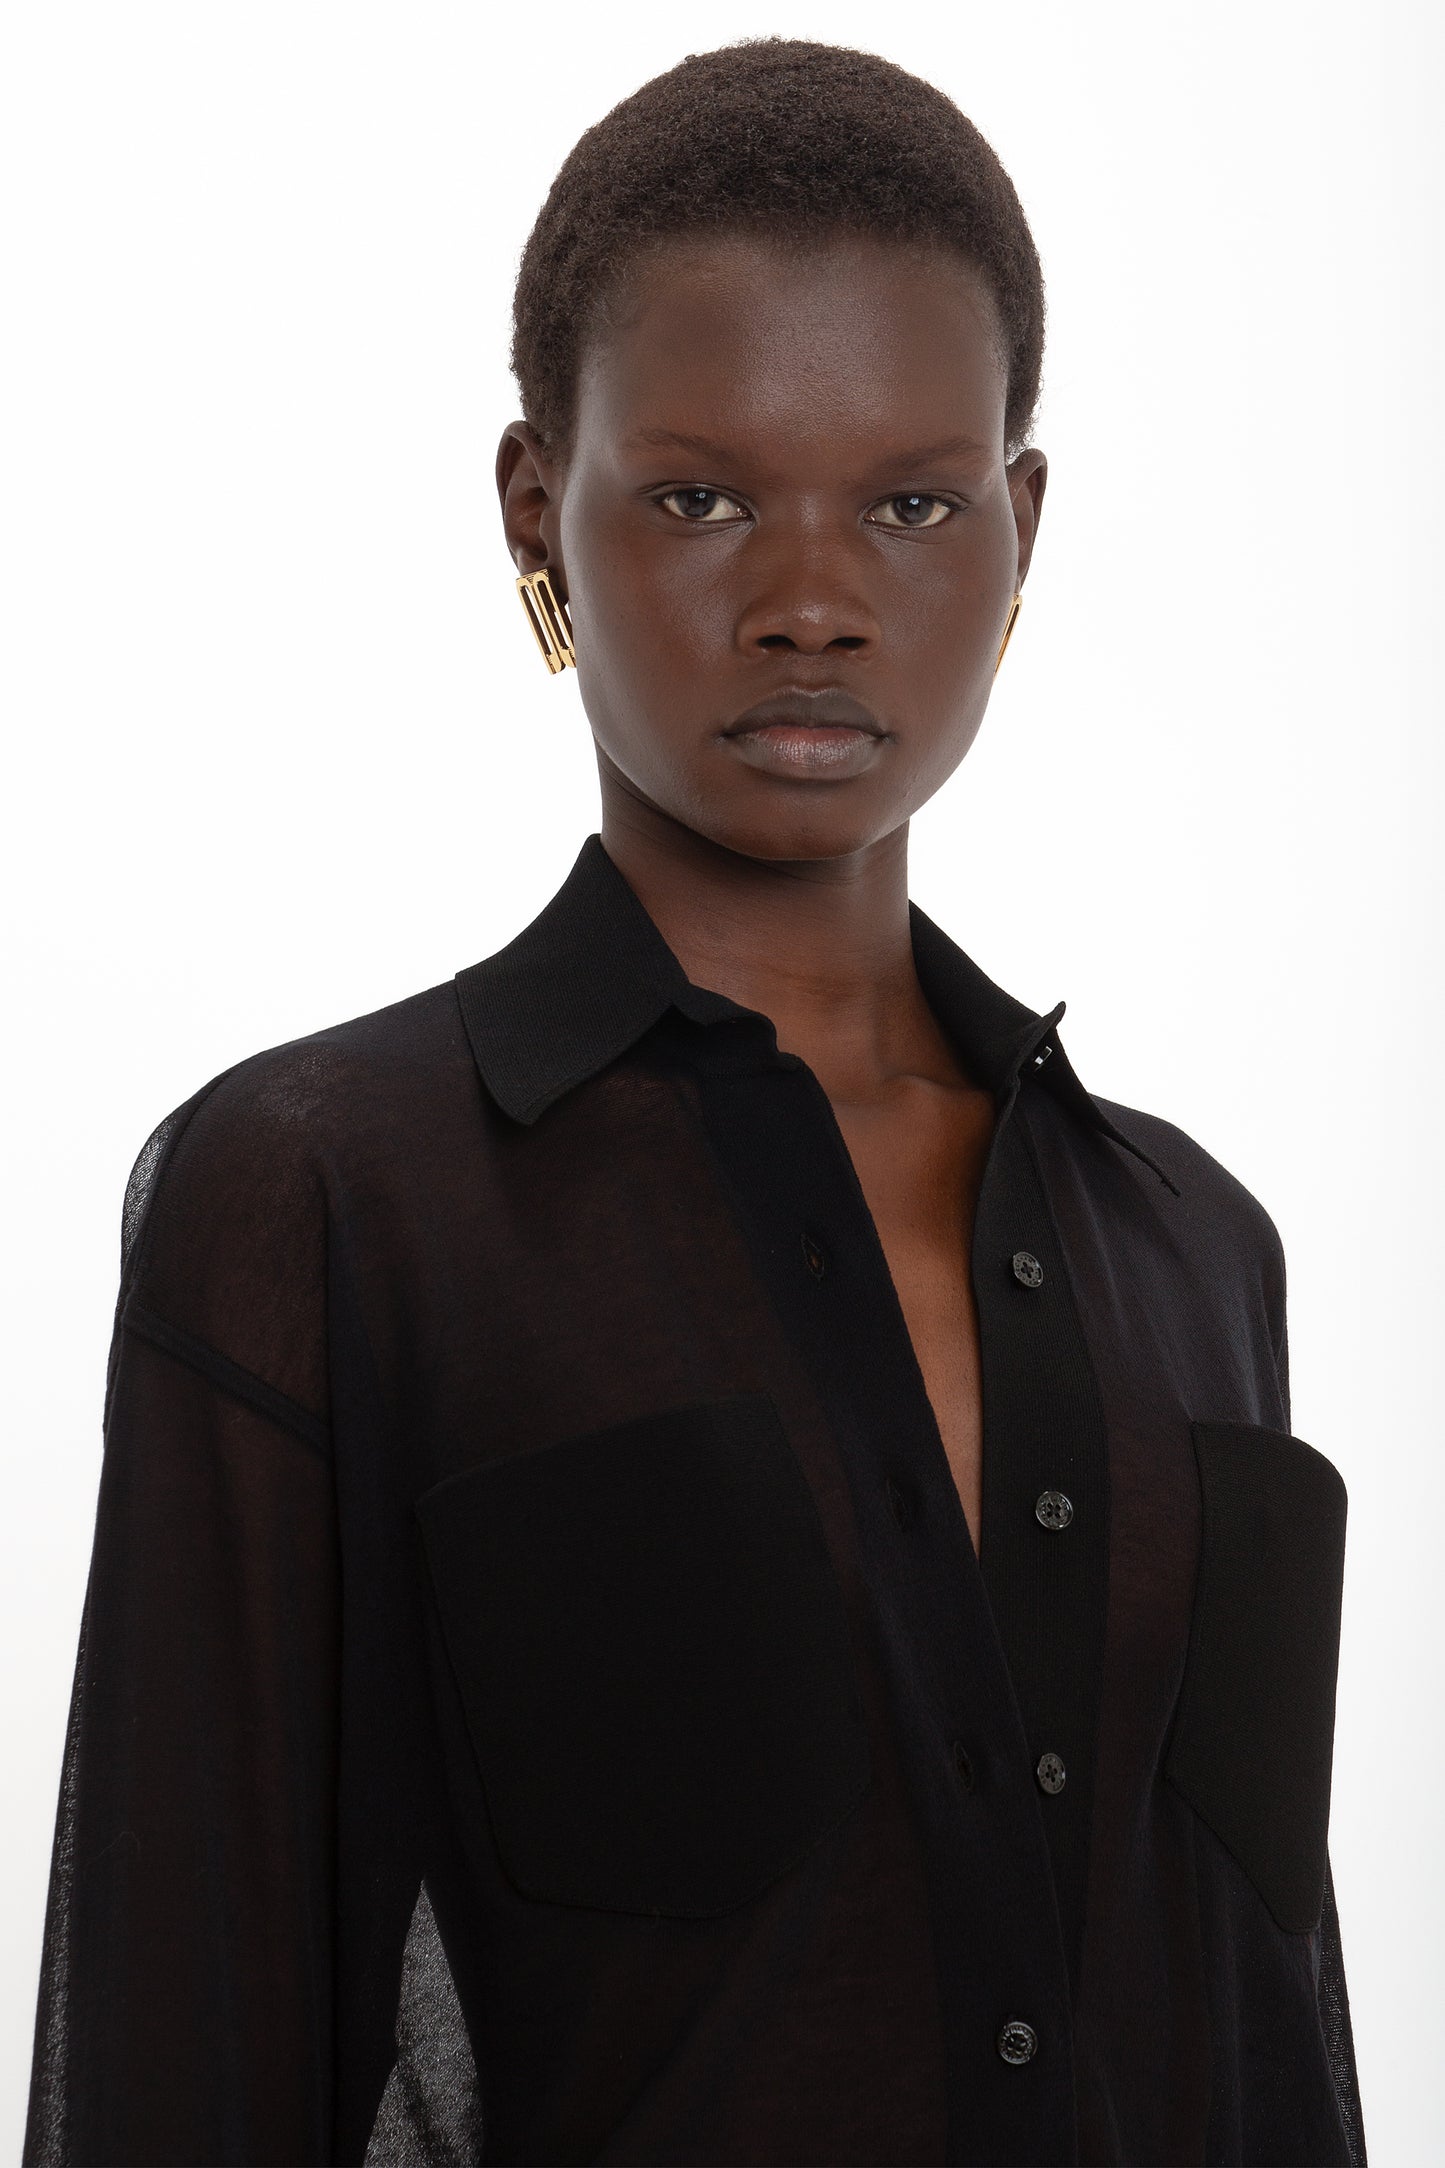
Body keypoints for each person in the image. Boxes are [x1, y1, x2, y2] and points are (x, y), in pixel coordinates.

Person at [22, 35, 1366, 2168]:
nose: (813, 599)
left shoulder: (1192, 1246)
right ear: (532, 508)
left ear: (1019, 531)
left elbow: (1269, 2032)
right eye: (701, 494)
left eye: (913, 502)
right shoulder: (323, 1198)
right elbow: (181, 2048)